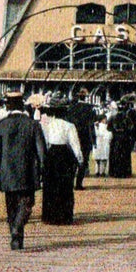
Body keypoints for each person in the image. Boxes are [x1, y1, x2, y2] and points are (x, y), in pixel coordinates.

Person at [0, 90, 46, 250]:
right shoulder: (33, 125)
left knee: (11, 205)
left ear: (7, 106)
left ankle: (16, 236)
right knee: (27, 202)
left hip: (6, 171)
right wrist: (43, 170)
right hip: (28, 171)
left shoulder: (1, 125)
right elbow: (42, 152)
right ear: (22, 105)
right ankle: (17, 229)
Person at [39, 96, 83, 225]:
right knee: (65, 186)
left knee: (50, 186)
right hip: (65, 155)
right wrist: (80, 159)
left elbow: (45, 142)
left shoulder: (47, 125)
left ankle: (49, 215)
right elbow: (75, 144)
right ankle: (64, 215)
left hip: (51, 155)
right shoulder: (69, 126)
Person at [65, 88, 97, 190]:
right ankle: (79, 183)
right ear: (86, 98)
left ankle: (70, 183)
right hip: (85, 137)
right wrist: (94, 139)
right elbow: (91, 125)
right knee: (84, 160)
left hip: (73, 136)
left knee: (72, 160)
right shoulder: (89, 109)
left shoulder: (72, 108)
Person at [108, 102, 136, 177]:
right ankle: (125, 172)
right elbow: (131, 127)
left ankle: (115, 172)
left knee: (115, 155)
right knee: (125, 155)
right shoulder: (127, 118)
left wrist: (115, 130)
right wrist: (125, 130)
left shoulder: (112, 117)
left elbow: (108, 128)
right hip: (125, 138)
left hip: (116, 138)